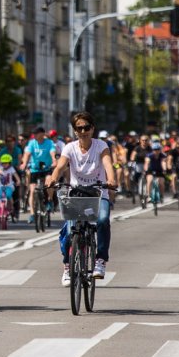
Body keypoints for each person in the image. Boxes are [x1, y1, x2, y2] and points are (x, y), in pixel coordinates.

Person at [46, 111, 118, 286]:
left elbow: (108, 163)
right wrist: (53, 178)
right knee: (70, 231)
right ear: (74, 131)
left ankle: (100, 260)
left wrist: (111, 180)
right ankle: (67, 265)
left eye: (86, 127)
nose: (83, 131)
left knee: (102, 220)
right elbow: (61, 166)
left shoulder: (101, 146)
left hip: (98, 192)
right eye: (79, 128)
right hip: (77, 193)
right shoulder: (70, 148)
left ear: (92, 128)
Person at [21, 127, 58, 222]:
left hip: (46, 168)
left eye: (37, 133)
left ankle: (49, 200)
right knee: (32, 191)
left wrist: (54, 160)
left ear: (42, 134)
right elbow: (27, 154)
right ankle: (32, 214)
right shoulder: (32, 143)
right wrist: (24, 163)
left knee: (49, 182)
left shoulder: (49, 143)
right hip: (35, 169)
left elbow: (52, 152)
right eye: (34, 133)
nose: (35, 135)